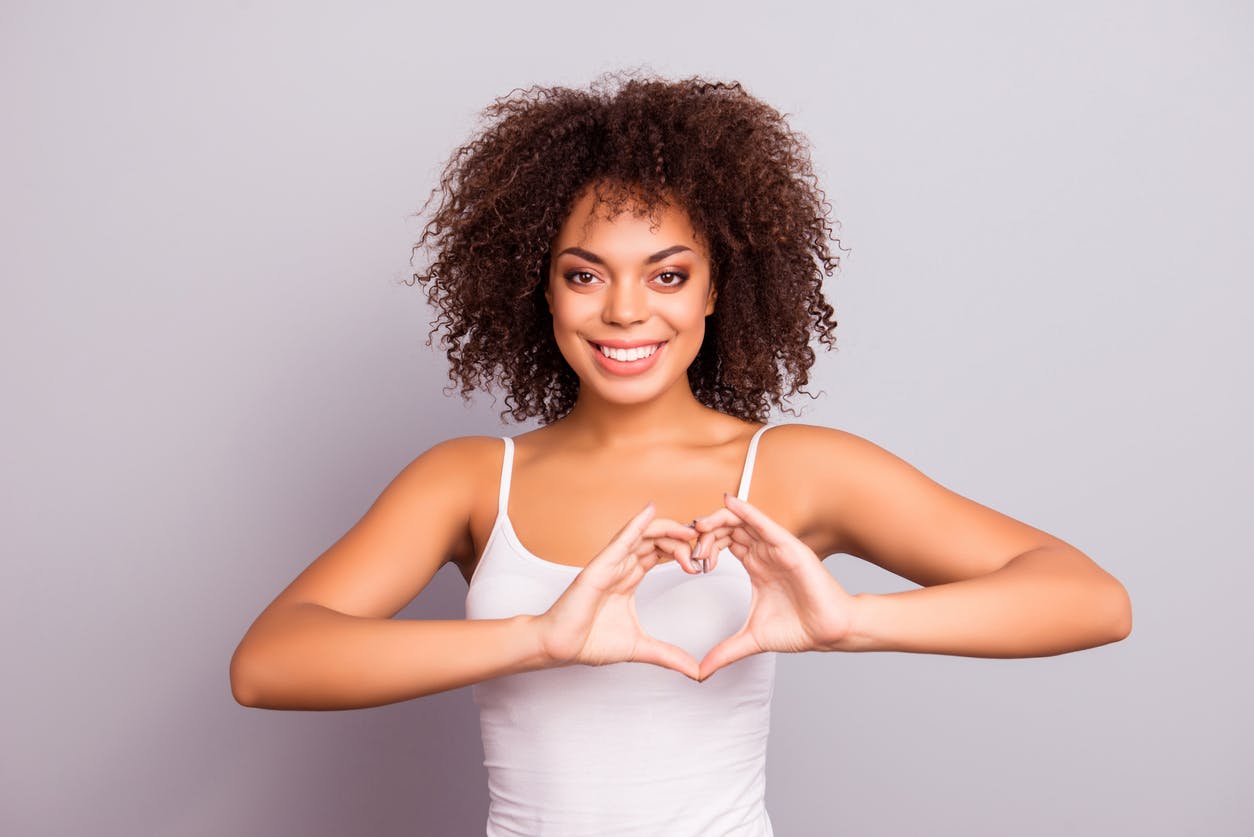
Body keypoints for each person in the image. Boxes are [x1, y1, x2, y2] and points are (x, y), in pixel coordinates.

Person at [230, 72, 1132, 835]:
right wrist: (538, 639)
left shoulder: (794, 470)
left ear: (714, 289)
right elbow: (269, 663)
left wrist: (854, 622)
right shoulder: (469, 480)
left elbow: (1091, 599)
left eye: (667, 274)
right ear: (541, 289)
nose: (625, 310)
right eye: (585, 274)